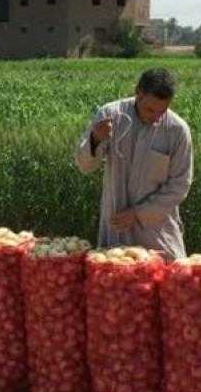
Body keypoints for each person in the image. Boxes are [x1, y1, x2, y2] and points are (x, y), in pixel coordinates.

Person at [74, 68, 193, 260]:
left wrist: (139, 213)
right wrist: (95, 138)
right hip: (116, 226)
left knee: (164, 284)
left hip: (156, 232)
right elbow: (84, 165)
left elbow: (180, 185)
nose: (156, 117)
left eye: (162, 111)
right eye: (150, 109)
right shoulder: (111, 116)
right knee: (115, 281)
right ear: (138, 92)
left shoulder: (177, 130)